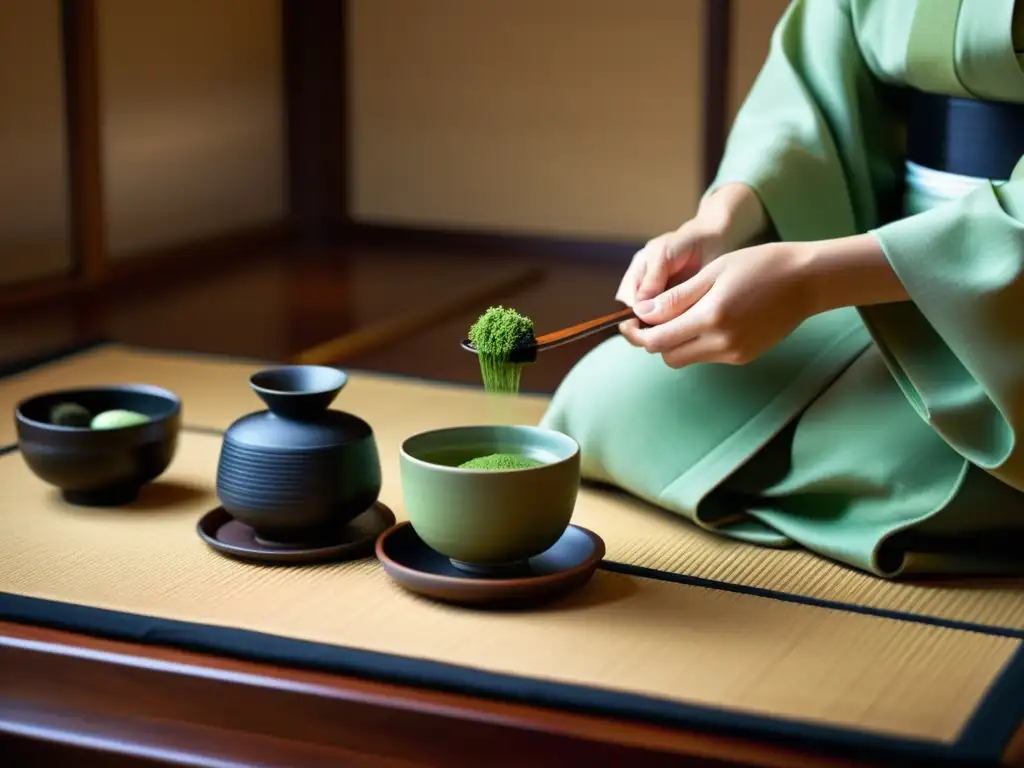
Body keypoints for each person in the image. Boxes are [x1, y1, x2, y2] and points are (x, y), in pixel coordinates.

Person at [540, 0, 1024, 578]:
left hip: (1001, 322)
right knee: (603, 403)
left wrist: (813, 278)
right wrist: (727, 220)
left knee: (918, 467)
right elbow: (813, 83)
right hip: (886, 267)